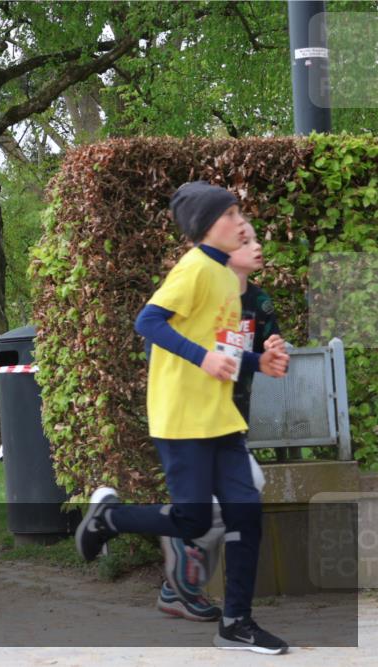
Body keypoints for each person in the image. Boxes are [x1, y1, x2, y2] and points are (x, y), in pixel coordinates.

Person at [75, 181, 290, 654]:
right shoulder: (193, 269)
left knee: (245, 515)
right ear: (206, 227)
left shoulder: (227, 280)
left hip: (221, 418)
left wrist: (259, 363)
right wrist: (202, 359)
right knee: (193, 520)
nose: (240, 221)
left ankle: (236, 623)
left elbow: (225, 350)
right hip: (182, 418)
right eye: (230, 214)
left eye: (238, 212)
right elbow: (147, 323)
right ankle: (110, 518)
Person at [156, 221, 286, 623]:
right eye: (247, 239)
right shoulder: (202, 286)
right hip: (193, 418)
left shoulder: (259, 302)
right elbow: (160, 336)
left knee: (233, 499)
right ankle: (179, 549)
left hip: (230, 419)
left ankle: (179, 582)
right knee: (239, 494)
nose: (258, 245)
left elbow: (268, 355)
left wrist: (273, 353)